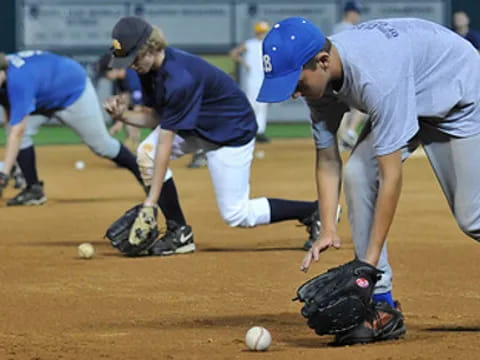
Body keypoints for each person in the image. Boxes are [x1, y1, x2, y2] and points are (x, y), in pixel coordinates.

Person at [257, 16, 480, 345]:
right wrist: (329, 228)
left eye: (297, 83)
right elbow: (328, 159)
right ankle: (381, 304)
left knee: (471, 216)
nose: (293, 93)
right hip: (412, 88)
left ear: (322, 61)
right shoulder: (321, 80)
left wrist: (367, 263)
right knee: (357, 172)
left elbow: (391, 177)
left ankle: (371, 278)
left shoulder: (376, 78)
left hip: (458, 93)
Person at [104, 16, 336, 255]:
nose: (131, 65)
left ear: (150, 47)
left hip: (231, 132)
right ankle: (179, 232)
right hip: (198, 127)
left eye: (134, 58)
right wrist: (124, 116)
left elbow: (166, 140)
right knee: (146, 153)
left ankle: (311, 211)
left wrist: (150, 203)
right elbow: (157, 117)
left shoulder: (178, 78)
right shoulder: (148, 69)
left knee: (237, 214)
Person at [0, 50, 145, 205]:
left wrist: (4, 173)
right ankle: (34, 190)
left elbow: (18, 130)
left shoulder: (18, 80)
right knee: (20, 134)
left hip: (73, 92)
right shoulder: (5, 75)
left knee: (103, 146)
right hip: (45, 95)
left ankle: (146, 177)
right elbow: (12, 118)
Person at [332, 1, 367, 151]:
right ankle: (350, 133)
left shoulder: (336, 28)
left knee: (343, 107)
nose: (358, 16)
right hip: (351, 72)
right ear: (351, 13)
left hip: (337, 72)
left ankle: (342, 140)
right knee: (363, 104)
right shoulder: (354, 30)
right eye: (357, 13)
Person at [230, 21, 271, 143]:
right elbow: (234, 53)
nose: (262, 34)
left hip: (264, 79)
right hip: (253, 79)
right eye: (261, 32)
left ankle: (260, 132)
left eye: (263, 32)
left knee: (263, 106)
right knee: (252, 105)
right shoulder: (250, 44)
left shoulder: (268, 44)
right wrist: (245, 64)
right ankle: (248, 131)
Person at [96, 53, 143, 152]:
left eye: (105, 73)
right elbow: (124, 102)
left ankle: (134, 148)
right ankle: (133, 151)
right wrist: (118, 124)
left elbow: (138, 108)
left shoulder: (132, 76)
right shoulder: (121, 80)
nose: (105, 77)